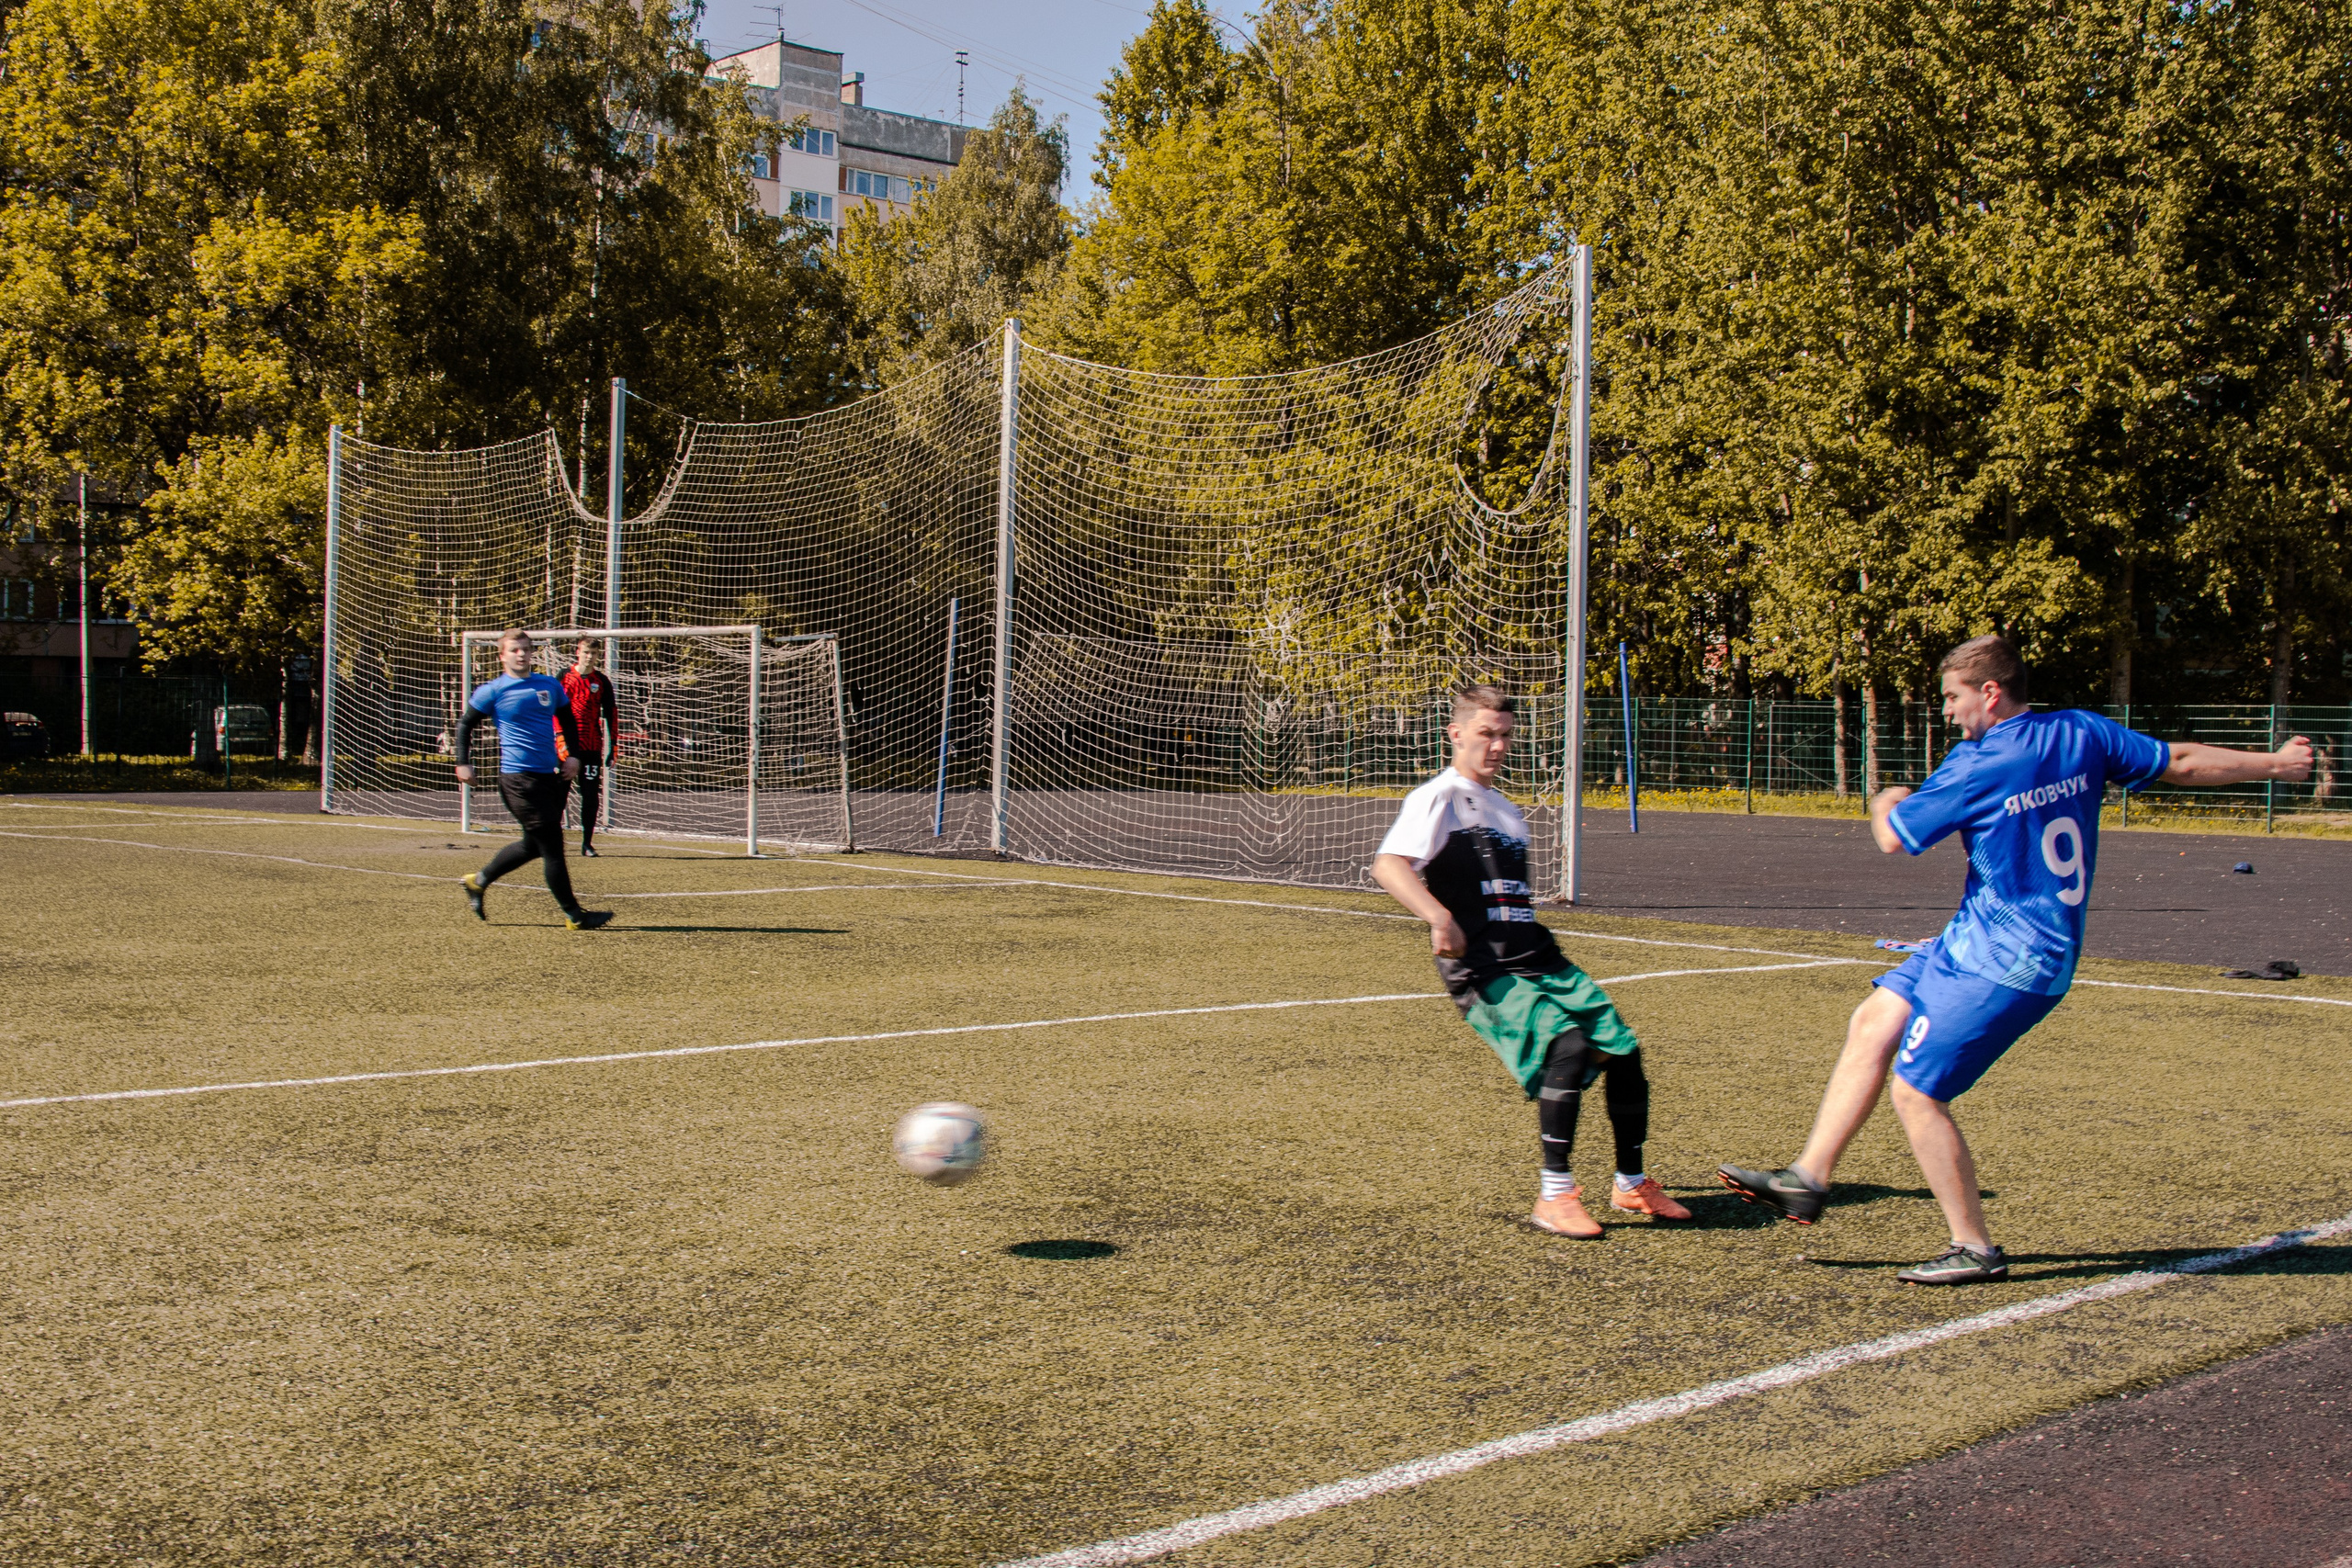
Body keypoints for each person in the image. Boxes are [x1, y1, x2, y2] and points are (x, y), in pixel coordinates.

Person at [1719, 635, 2312, 1283]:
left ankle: (1974, 1247)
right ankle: (1808, 1176)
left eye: (1952, 696)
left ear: (1990, 693)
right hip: (1975, 939)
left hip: (2008, 960)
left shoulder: (1976, 762)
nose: (1947, 711)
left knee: (1917, 1092)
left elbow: (1894, 836)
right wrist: (2277, 764)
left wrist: (1887, 794)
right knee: (1874, 1019)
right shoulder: (2080, 732)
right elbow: (2185, 760)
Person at [1373, 684, 1690, 1238]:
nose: (1496, 746)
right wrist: (1437, 917)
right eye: (1485, 734)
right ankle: (1555, 1195)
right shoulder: (1438, 796)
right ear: (1456, 734)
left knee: (1623, 1051)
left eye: (1504, 736)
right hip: (1482, 963)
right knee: (1565, 1046)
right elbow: (1389, 864)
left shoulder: (1508, 810)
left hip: (1536, 954)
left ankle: (1631, 1182)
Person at [453, 629, 613, 931]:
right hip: (517, 780)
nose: (521, 654)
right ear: (502, 655)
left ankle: (479, 881)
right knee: (552, 843)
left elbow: (567, 719)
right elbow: (465, 725)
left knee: (532, 845)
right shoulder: (493, 690)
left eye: (526, 649)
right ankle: (575, 915)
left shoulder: (549, 685)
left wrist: (573, 756)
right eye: (514, 650)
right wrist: (463, 762)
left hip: (547, 777)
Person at [561, 637, 622, 856]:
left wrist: (613, 746)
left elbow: (611, 714)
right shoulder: (563, 677)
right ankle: (553, 841)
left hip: (590, 746)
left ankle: (587, 843)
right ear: (577, 651)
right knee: (559, 794)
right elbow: (551, 712)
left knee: (590, 796)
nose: (589, 657)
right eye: (586, 652)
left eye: (594, 653)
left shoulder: (602, 681)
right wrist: (558, 740)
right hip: (565, 747)